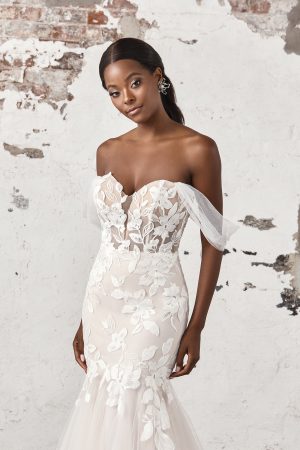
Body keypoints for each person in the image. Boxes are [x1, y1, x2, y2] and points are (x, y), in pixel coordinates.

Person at [56, 37, 239, 450]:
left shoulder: (198, 149)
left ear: (158, 77)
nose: (126, 99)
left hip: (158, 303)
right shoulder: (107, 151)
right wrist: (85, 319)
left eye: (134, 83)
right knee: (103, 399)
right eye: (114, 93)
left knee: (139, 397)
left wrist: (197, 325)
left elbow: (213, 241)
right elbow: (110, 240)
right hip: (102, 301)